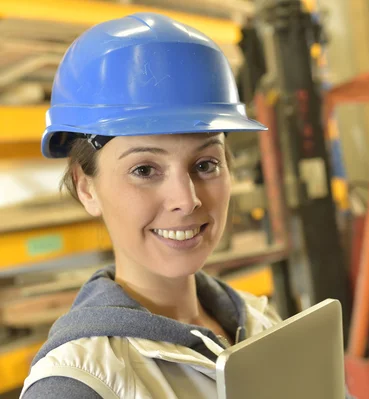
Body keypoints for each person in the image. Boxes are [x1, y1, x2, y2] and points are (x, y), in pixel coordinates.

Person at [20, 13, 282, 398]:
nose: (187, 199)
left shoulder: (261, 321)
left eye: (206, 164)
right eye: (144, 169)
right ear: (86, 187)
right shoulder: (76, 384)